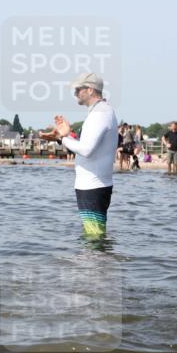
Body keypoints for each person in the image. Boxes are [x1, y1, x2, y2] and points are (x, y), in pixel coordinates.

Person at [40, 73, 117, 238]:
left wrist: (62, 137)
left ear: (89, 90)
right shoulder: (99, 111)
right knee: (93, 235)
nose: (75, 93)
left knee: (94, 237)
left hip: (93, 186)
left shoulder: (100, 113)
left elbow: (86, 150)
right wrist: (66, 136)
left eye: (77, 89)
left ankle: (96, 263)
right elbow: (90, 146)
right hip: (92, 185)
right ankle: (96, 263)